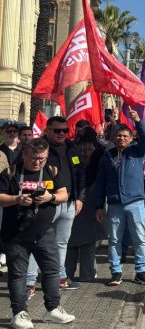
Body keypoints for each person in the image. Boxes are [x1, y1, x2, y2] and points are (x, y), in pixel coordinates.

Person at [0, 139, 76, 329]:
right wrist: (17, 199)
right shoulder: (10, 173)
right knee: (18, 274)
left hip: (44, 232)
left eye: (42, 158)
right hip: (15, 234)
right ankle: (18, 313)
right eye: (34, 158)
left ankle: (53, 307)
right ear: (24, 154)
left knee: (52, 270)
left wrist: (51, 197)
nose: (38, 162)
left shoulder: (52, 171)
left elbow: (64, 194)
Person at [93, 110, 145, 286]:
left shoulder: (137, 152)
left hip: (135, 203)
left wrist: (138, 121)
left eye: (125, 136)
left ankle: (141, 271)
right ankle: (116, 272)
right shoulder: (107, 156)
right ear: (115, 137)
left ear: (130, 137)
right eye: (119, 136)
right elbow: (101, 183)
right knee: (114, 240)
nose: (121, 139)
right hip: (114, 205)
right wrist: (98, 205)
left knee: (139, 238)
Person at [42, 116, 86, 290]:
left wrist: (80, 198)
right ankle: (30, 281)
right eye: (57, 130)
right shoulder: (39, 147)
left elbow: (81, 173)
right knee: (38, 241)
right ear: (47, 130)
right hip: (46, 203)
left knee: (62, 242)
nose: (62, 134)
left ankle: (60, 278)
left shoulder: (72, 147)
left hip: (68, 204)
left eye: (65, 130)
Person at [65, 127, 103, 283]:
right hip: (91, 198)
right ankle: (86, 275)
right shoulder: (100, 151)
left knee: (70, 241)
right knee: (88, 243)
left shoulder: (71, 150)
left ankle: (66, 274)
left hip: (73, 198)